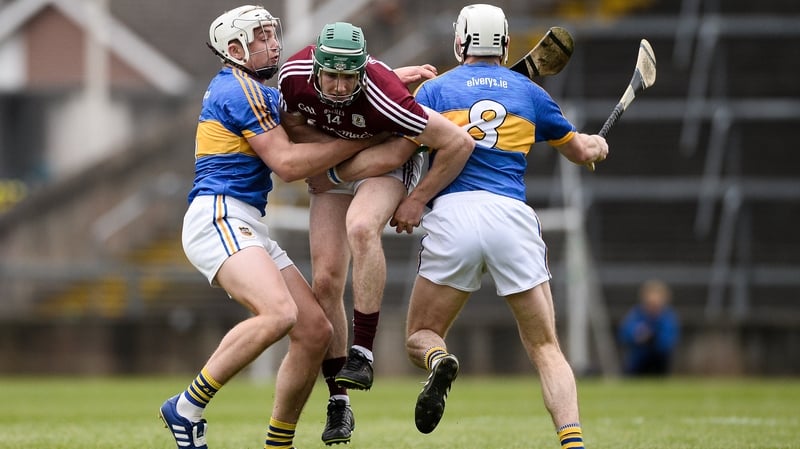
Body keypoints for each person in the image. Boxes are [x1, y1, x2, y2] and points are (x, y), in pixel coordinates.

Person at [157, 6, 389, 449]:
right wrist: (366, 137)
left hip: (244, 221)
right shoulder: (239, 90)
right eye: (259, 37)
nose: (272, 44)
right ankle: (186, 406)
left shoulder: (257, 89)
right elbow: (285, 164)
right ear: (234, 49)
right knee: (280, 314)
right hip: (218, 215)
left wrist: (392, 85)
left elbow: (320, 112)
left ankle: (279, 442)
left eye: (270, 34)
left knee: (315, 330)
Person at [386, 4, 607, 449]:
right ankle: (573, 442)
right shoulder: (531, 94)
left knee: (419, 336)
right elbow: (581, 152)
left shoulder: (434, 90)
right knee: (547, 349)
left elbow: (400, 151)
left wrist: (408, 199)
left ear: (459, 42)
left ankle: (439, 359)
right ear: (505, 44)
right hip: (511, 217)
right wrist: (597, 144)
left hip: (453, 216)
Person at [278, 21, 475, 445]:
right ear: (315, 68)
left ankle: (363, 352)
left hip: (388, 166)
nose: (338, 85)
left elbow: (459, 142)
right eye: (330, 74)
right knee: (326, 281)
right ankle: (339, 404)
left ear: (363, 73)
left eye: (349, 76)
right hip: (336, 171)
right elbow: (293, 129)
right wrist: (341, 156)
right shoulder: (293, 77)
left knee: (362, 227)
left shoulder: (386, 95)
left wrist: (417, 199)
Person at [618, 279, 680, 376]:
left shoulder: (668, 317)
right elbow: (624, 334)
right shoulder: (636, 314)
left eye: (656, 302)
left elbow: (669, 342)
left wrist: (653, 338)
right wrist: (637, 335)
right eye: (650, 302)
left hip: (659, 361)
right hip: (638, 360)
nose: (653, 305)